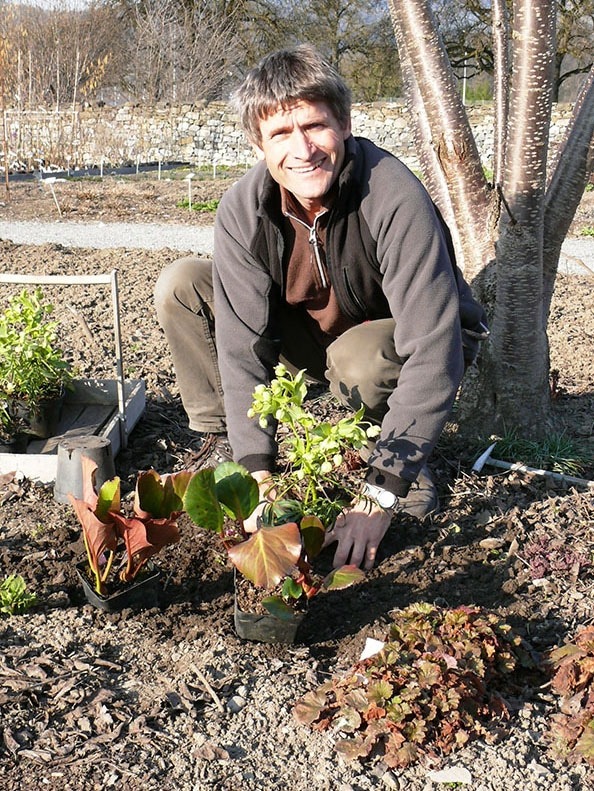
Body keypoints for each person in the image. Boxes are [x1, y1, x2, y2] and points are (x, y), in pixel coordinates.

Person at [154, 44, 488, 570]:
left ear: (345, 124)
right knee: (184, 284)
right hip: (307, 342)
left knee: (364, 359)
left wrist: (381, 492)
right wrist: (257, 473)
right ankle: (233, 450)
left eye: (314, 126)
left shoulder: (393, 196)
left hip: (391, 347)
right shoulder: (244, 209)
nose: (302, 149)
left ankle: (404, 456)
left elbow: (434, 347)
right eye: (280, 134)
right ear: (257, 144)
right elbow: (242, 349)